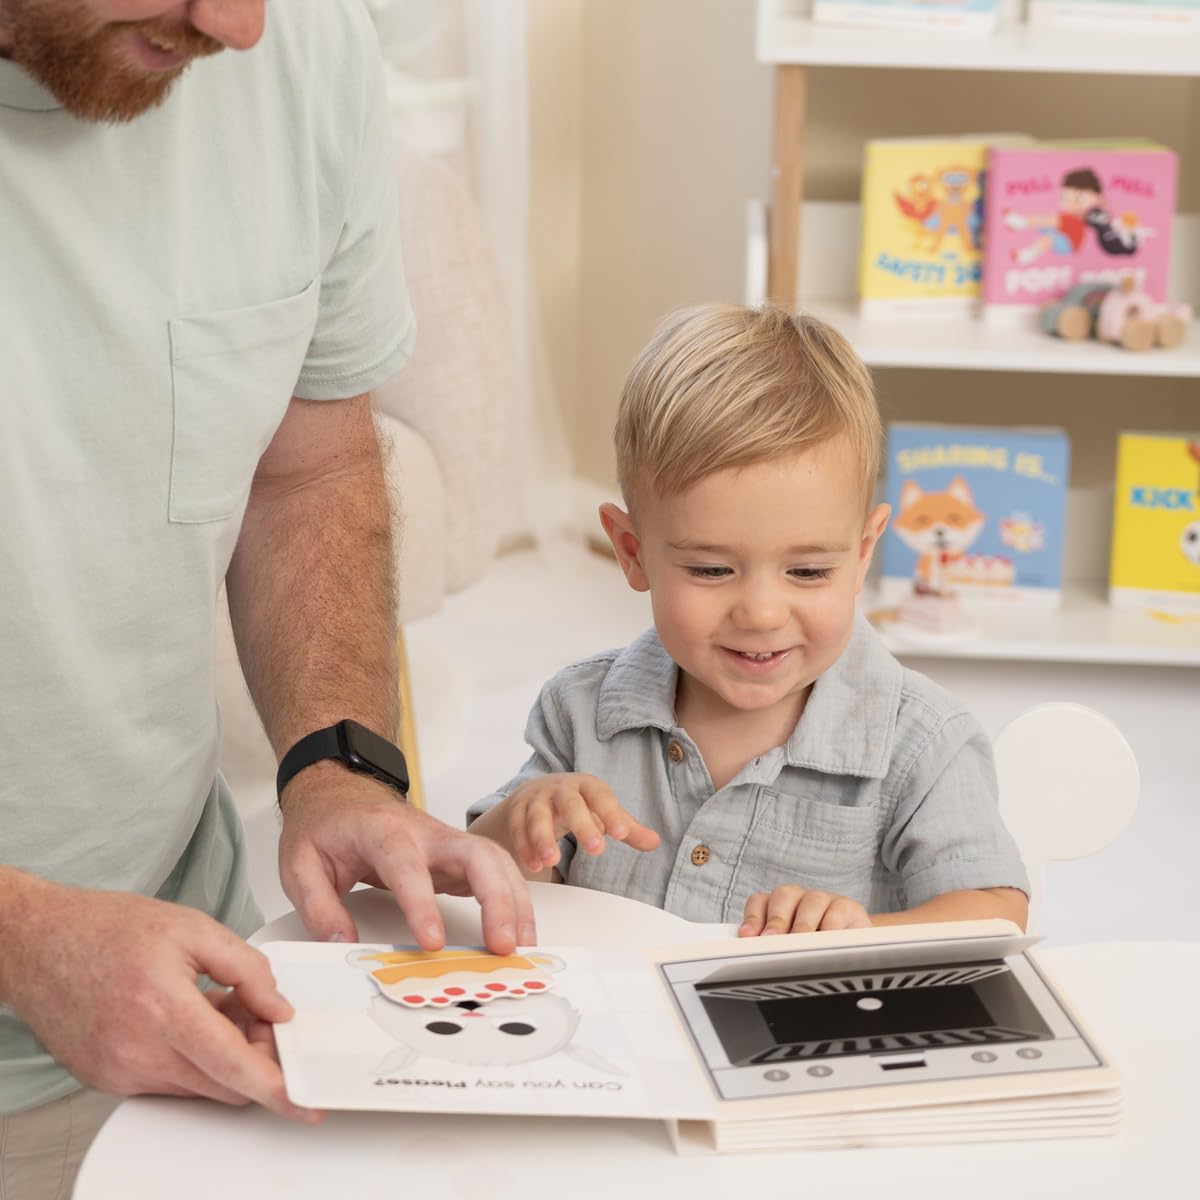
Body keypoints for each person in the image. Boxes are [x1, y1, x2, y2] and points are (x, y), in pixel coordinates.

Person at [0, 1, 532, 1192]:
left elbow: (310, 468)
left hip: (188, 991)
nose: (238, 28)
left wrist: (337, 763)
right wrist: (24, 935)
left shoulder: (305, 43)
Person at [468, 303, 1029, 938]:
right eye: (711, 569)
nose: (761, 614)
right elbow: (477, 882)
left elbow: (996, 913)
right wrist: (522, 824)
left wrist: (864, 932)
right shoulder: (580, 710)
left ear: (863, 553)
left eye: (808, 571)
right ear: (632, 552)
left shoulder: (922, 741)